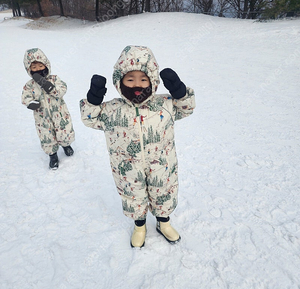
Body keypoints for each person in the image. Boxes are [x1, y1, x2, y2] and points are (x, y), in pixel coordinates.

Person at [80, 45, 195, 248]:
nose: (137, 85)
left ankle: (163, 222)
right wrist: (94, 98)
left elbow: (186, 108)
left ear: (152, 80)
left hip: (162, 165)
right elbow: (90, 119)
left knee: (163, 192)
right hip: (127, 168)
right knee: (133, 195)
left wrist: (179, 90)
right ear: (120, 81)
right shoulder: (112, 109)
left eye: (143, 79)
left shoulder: (165, 105)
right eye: (130, 79)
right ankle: (140, 226)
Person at [22, 48, 75, 169]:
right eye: (34, 68)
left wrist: (48, 86)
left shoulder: (54, 79)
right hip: (42, 117)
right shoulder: (29, 85)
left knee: (64, 132)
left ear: (46, 65)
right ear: (29, 69)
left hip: (60, 114)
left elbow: (62, 90)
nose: (38, 69)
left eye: (40, 65)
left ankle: (66, 145)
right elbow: (25, 97)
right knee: (47, 136)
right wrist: (30, 103)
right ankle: (53, 155)